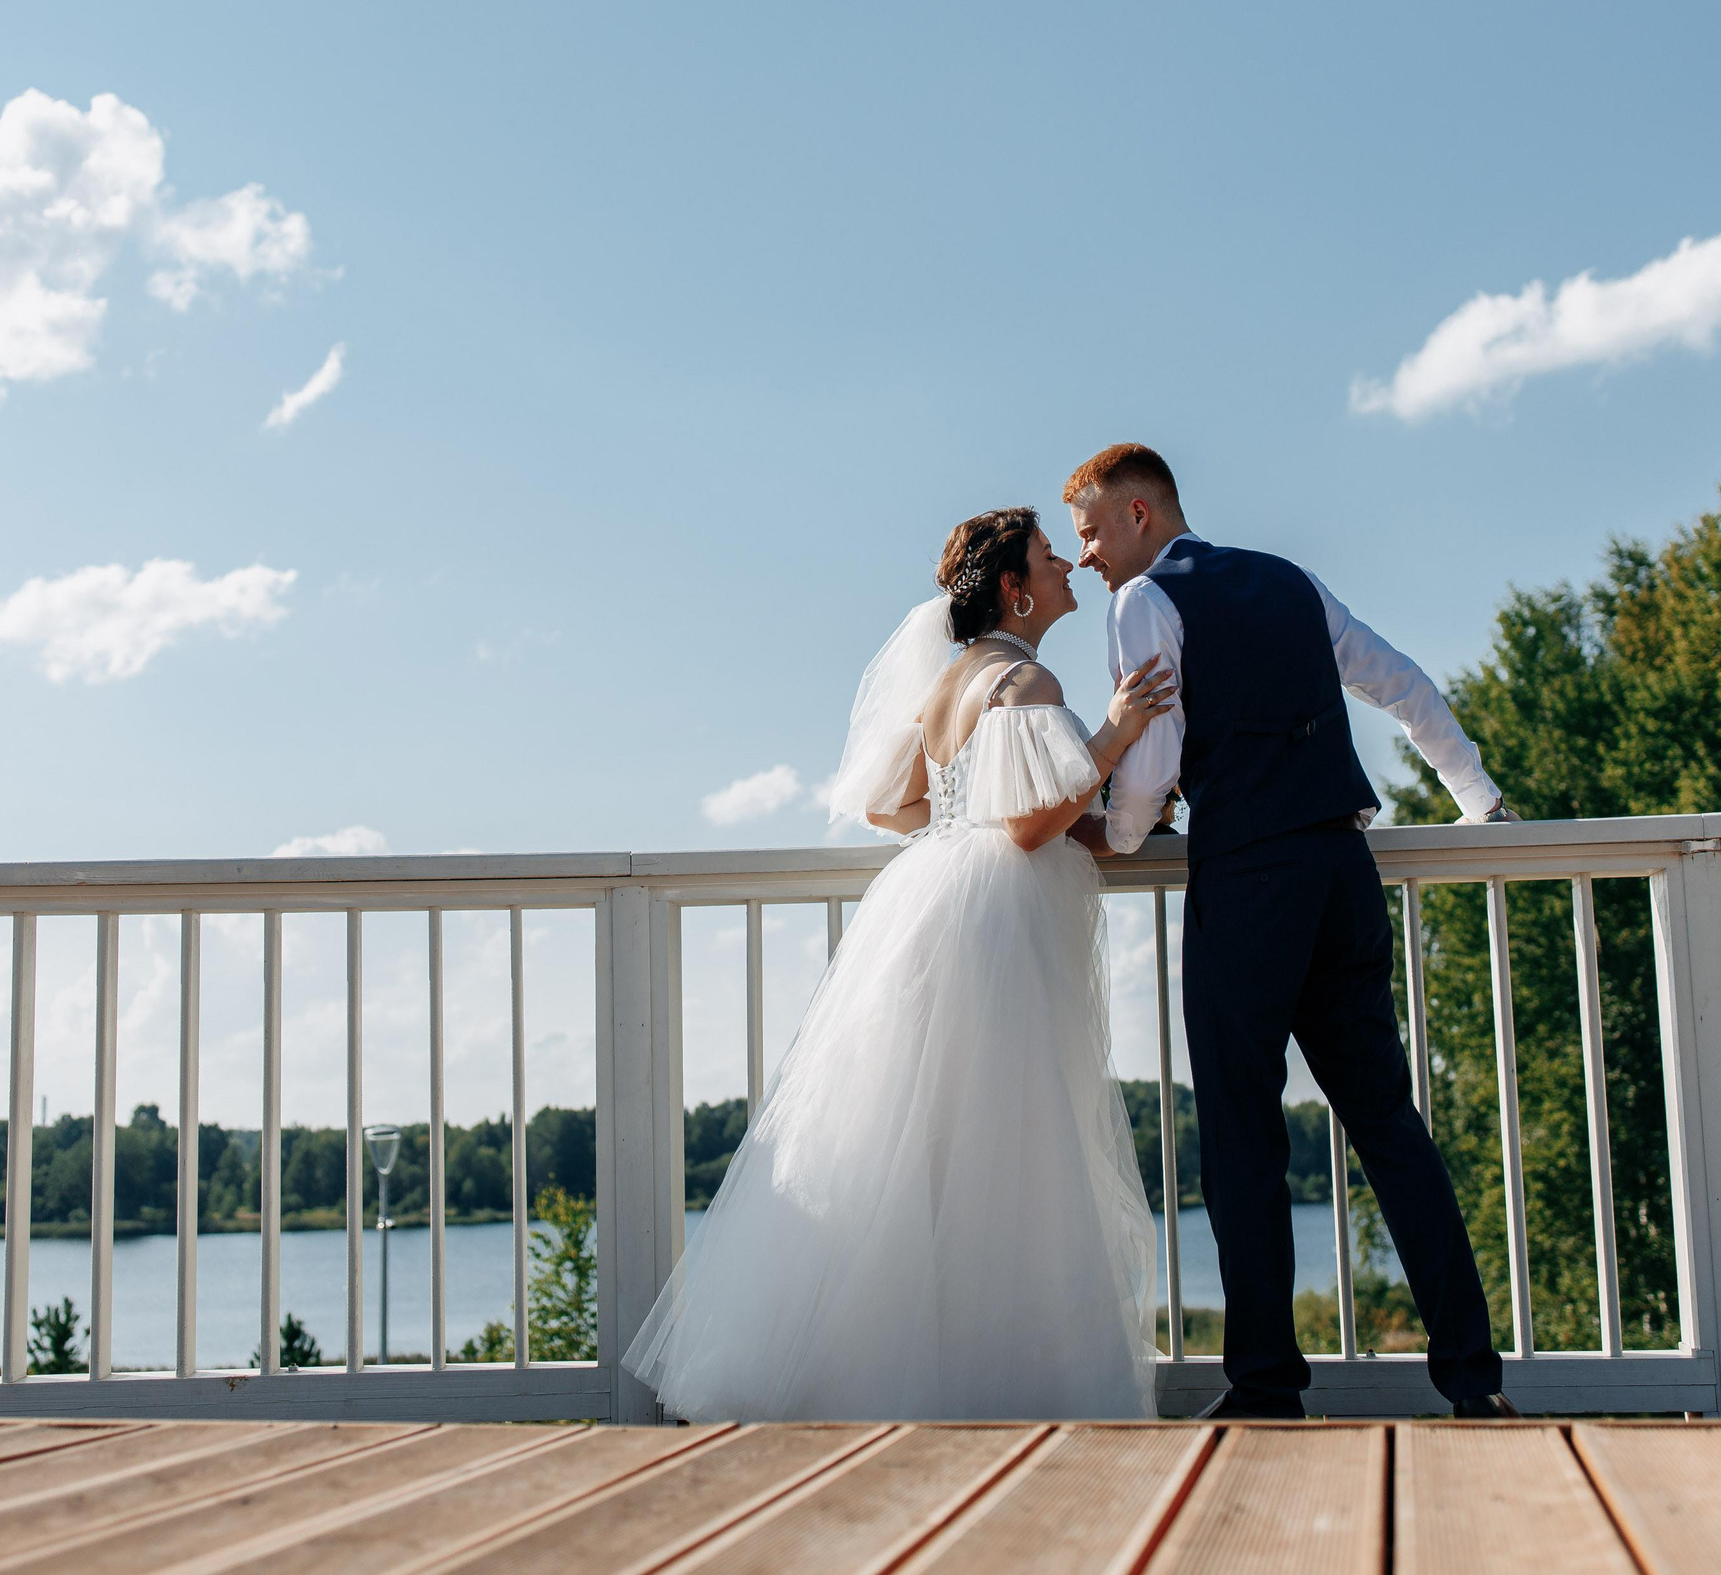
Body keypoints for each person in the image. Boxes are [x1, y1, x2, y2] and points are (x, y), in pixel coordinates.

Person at [622, 507, 1178, 1420]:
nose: (1066, 567)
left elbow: (893, 805)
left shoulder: (950, 683)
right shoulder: (1026, 679)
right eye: (1049, 556)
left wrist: (994, 819)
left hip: (933, 904)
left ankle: (881, 1373)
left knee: (927, 1147)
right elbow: (1029, 826)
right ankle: (1009, 1383)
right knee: (1012, 1145)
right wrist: (1114, 734)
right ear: (1015, 587)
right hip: (996, 926)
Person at [1062, 442, 1520, 1420]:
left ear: (1140, 514)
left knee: (1241, 1134)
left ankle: (1266, 1385)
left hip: (1248, 880)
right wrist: (1477, 799)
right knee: (1389, 1124)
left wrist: (1121, 834)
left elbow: (1150, 766)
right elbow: (1399, 682)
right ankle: (1472, 1381)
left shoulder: (1142, 601)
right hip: (1342, 871)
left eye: (1092, 531)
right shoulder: (1289, 580)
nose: (1087, 554)